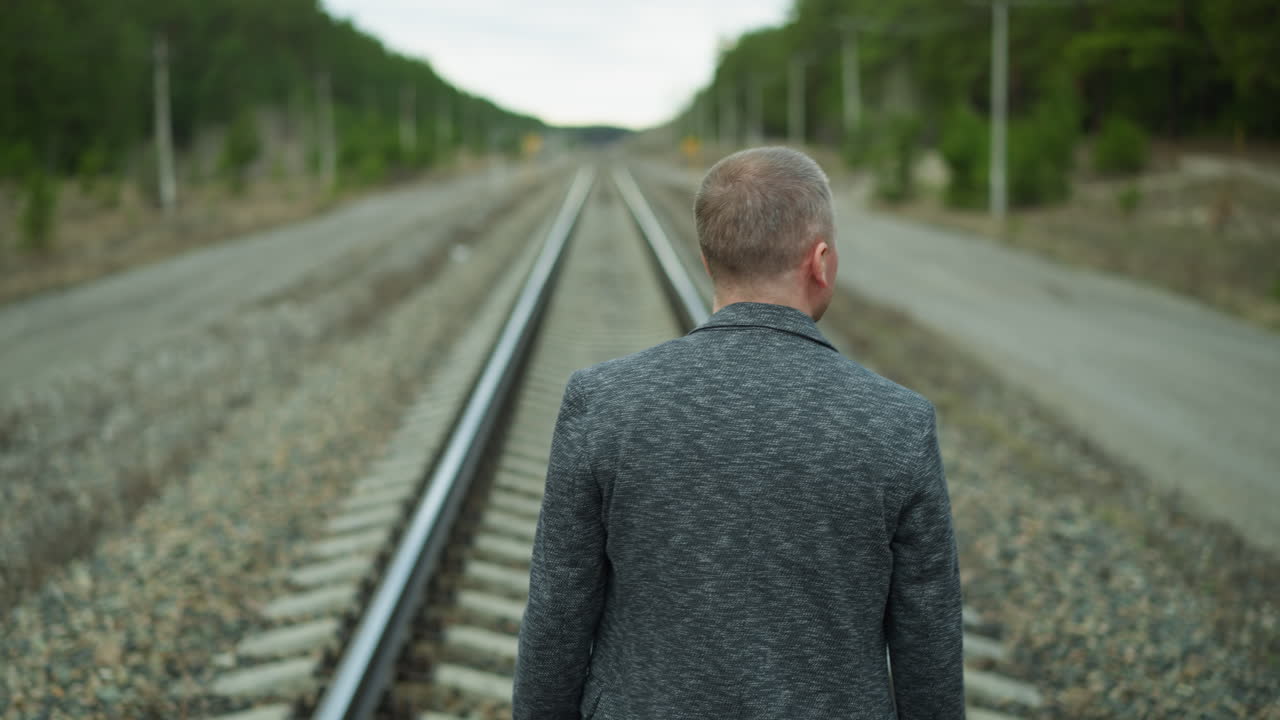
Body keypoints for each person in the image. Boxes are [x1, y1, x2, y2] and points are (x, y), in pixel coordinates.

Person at [513, 147, 964, 719]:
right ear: (820, 262)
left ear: (708, 261)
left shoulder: (603, 402)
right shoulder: (898, 423)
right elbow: (930, 652)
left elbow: (558, 613)